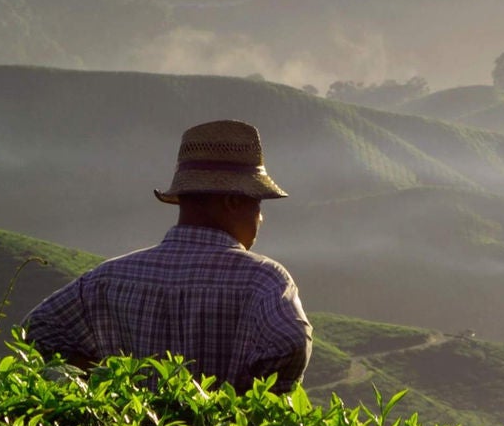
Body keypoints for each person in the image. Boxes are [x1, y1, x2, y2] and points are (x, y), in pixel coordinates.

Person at [24, 119, 313, 391]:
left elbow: (38, 330)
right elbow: (290, 342)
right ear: (232, 201)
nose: (260, 218)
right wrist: (248, 401)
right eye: (257, 205)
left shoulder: (107, 279)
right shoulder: (264, 281)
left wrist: (103, 382)